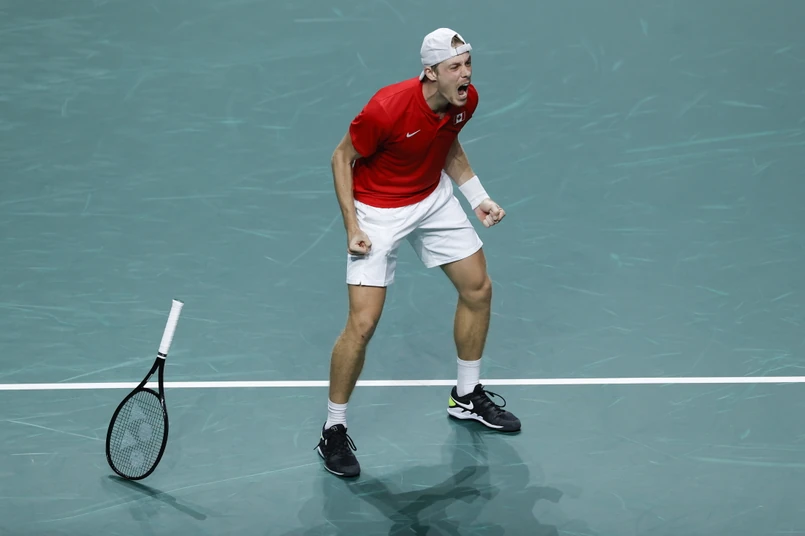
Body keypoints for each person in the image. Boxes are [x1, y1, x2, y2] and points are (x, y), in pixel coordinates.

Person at [316, 28, 521, 478]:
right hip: (377, 212)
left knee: (478, 289)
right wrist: (353, 227)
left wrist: (477, 197)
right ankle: (333, 428)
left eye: (468, 64)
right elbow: (341, 158)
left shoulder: (465, 101)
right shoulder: (386, 108)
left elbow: (447, 144)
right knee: (362, 324)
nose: (466, 74)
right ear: (430, 72)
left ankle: (466, 396)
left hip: (432, 200)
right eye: (455, 67)